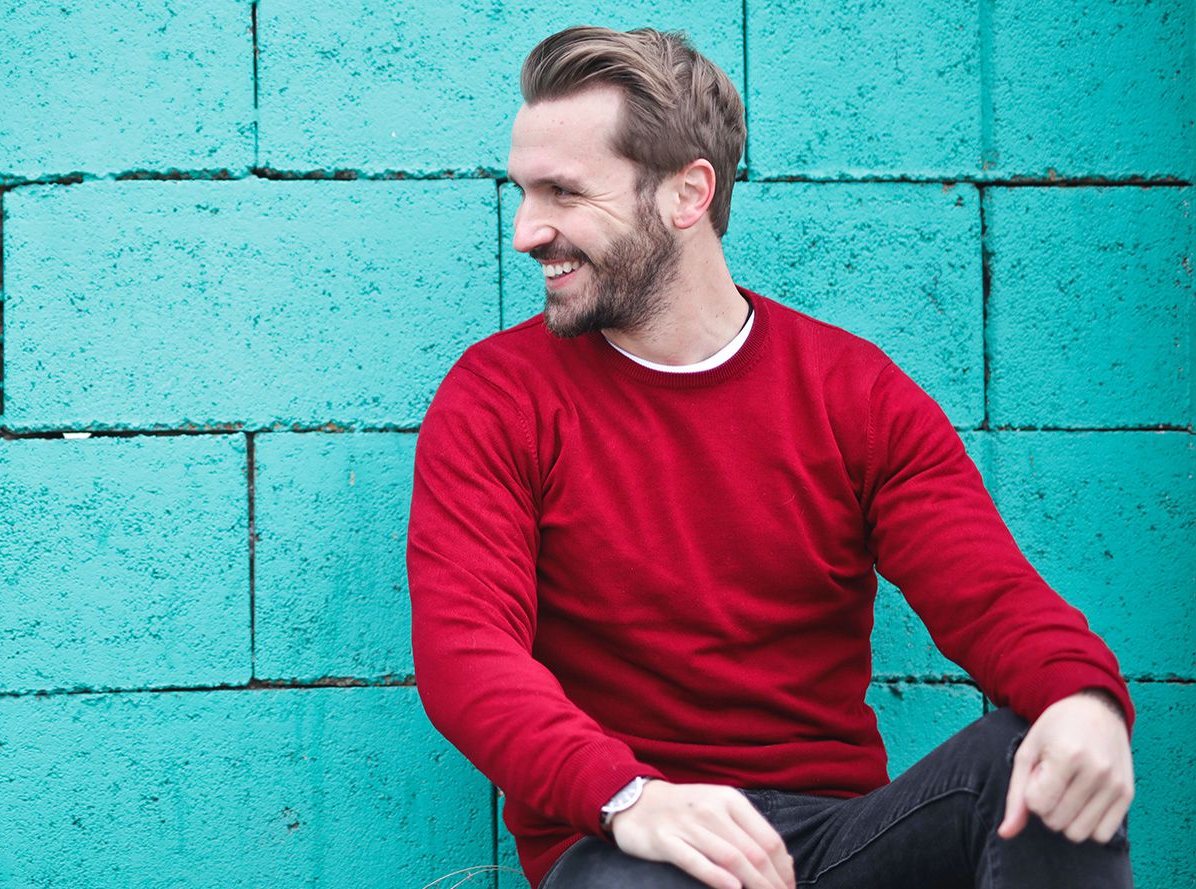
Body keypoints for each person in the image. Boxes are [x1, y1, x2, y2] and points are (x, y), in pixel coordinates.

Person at [405, 25, 1136, 889]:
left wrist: (1084, 699)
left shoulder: (852, 392)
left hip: (837, 841)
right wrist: (628, 796)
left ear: (687, 193)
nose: (527, 231)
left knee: (1040, 760)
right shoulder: (499, 396)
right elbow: (465, 650)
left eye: (563, 193)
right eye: (525, 193)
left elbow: (986, 588)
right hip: (635, 843)